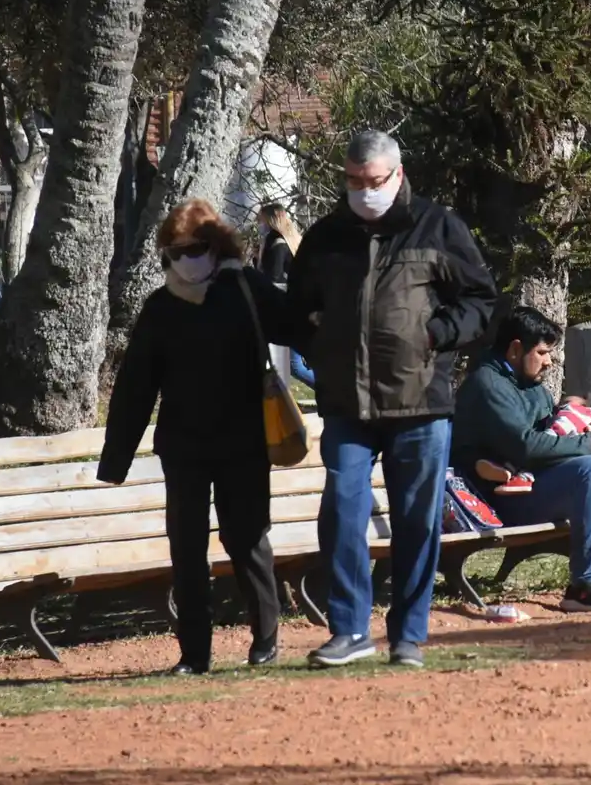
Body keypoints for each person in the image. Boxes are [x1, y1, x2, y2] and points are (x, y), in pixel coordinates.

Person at [288, 130, 497, 669]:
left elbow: (479, 301)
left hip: (420, 404)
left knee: (416, 523)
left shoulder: (438, 226)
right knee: (341, 510)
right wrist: (321, 338)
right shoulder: (326, 237)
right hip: (346, 405)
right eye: (353, 182)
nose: (363, 191)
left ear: (397, 174)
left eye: (373, 181)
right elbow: (297, 309)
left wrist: (435, 334)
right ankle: (349, 630)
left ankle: (408, 634)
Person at [99, 199, 296, 675]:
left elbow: (299, 326)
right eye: (178, 249)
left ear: (217, 246)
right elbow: (135, 387)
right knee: (186, 549)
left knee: (247, 539)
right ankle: (195, 653)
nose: (188, 256)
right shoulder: (161, 307)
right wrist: (116, 460)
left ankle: (266, 636)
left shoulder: (248, 288)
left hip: (245, 442)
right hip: (184, 447)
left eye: (198, 247)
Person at [451, 306, 591, 612]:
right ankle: (583, 585)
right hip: (502, 501)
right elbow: (527, 447)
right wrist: (587, 445)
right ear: (516, 349)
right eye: (543, 352)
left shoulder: (528, 383)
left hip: (539, 483)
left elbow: (549, 436)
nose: (549, 361)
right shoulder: (488, 385)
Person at [254, 203, 315, 388]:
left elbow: (274, 277)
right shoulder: (287, 240)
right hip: (293, 307)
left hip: (284, 310)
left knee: (293, 365)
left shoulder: (276, 242)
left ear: (270, 220)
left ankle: (330, 391)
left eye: (260, 220)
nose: (258, 224)